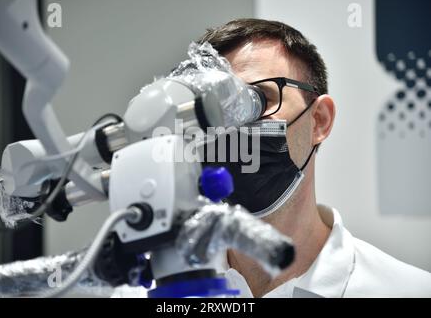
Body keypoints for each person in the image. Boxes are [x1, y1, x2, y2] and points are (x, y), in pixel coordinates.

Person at [113, 18, 431, 298]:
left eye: (256, 100)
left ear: (318, 120)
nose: (233, 126)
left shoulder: (407, 291)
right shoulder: (146, 294)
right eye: (215, 110)